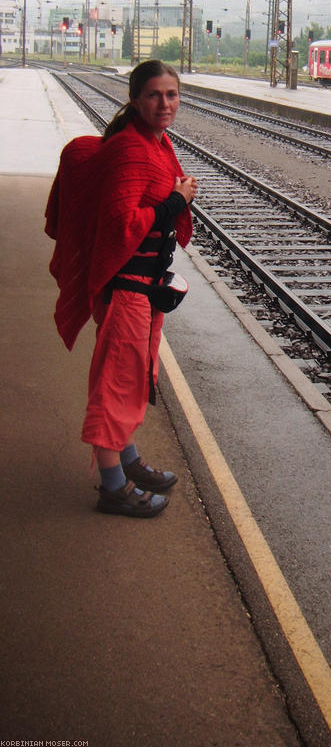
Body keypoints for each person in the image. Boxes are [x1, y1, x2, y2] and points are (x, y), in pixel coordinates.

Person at [45, 60, 198, 518]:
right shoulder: (132, 150)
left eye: (171, 95)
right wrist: (175, 201)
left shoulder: (157, 141)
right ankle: (112, 486)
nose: (164, 104)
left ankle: (127, 461)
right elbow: (120, 226)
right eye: (154, 95)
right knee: (116, 384)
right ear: (135, 99)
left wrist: (175, 197)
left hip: (144, 289)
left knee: (131, 379)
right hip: (128, 289)